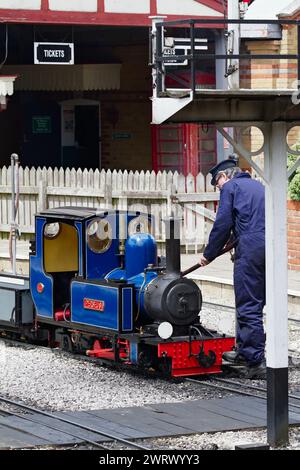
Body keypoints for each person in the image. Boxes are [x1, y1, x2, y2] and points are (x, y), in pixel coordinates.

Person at [200, 157, 266, 379]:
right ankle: (249, 351)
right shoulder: (259, 186)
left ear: (225, 176)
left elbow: (222, 224)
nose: (218, 187)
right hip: (270, 247)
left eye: (216, 182)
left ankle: (253, 360)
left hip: (249, 248)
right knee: (259, 301)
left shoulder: (230, 187)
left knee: (248, 304)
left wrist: (208, 255)